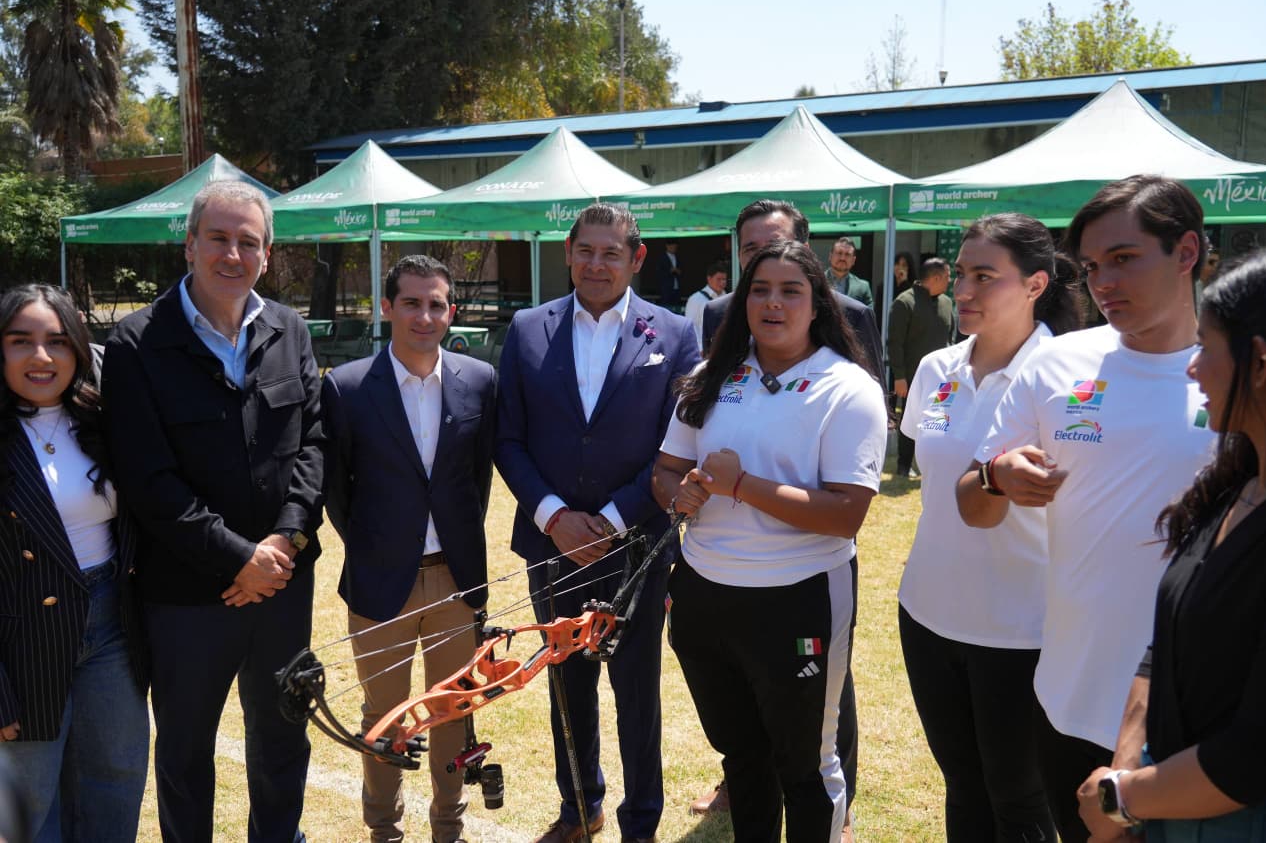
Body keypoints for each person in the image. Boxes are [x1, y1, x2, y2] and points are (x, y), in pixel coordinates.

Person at [955, 175, 1216, 843]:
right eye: (1093, 266)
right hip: (1067, 696)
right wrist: (994, 478)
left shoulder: (1238, 373)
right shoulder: (1057, 364)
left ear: (1186, 252)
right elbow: (972, 505)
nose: (1104, 283)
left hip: (1196, 709)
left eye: (1124, 258)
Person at [103, 180, 325, 843]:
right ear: (189, 244)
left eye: (248, 242)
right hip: (187, 596)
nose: (233, 254)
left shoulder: (289, 329)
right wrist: (238, 558)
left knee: (283, 739)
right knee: (184, 752)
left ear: (267, 253)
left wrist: (284, 541)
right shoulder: (137, 343)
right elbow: (148, 480)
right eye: (219, 238)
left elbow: (313, 444)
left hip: (282, 585)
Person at [653, 239, 886, 843]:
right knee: (743, 757)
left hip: (799, 598)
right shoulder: (710, 377)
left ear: (818, 304)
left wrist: (741, 485)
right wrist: (679, 495)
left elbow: (846, 515)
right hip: (705, 597)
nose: (772, 303)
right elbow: (667, 471)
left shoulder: (848, 387)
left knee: (806, 767)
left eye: (790, 291)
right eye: (759, 290)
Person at [494, 202, 700, 843]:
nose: (597, 264)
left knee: (637, 691)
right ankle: (580, 808)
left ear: (637, 259)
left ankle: (641, 822)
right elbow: (507, 438)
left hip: (636, 544)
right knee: (567, 683)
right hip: (552, 545)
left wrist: (610, 519)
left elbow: (677, 447)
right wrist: (554, 517)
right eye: (585, 250)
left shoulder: (674, 335)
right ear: (567, 253)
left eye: (612, 252)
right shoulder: (528, 328)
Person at [1076, 247, 1266, 841]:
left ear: (1259, 364)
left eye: (1205, 348)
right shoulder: (1236, 486)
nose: (1192, 370)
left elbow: (1254, 755)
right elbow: (1164, 643)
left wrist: (1121, 799)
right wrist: (1124, 772)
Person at [897, 214, 1086, 842]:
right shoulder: (937, 369)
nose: (963, 291)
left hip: (1023, 628)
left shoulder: (1072, 377)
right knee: (963, 785)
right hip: (928, 614)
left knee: (1019, 800)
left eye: (985, 276)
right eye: (960, 274)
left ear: (1036, 284)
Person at [323, 255, 497, 843]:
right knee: (383, 717)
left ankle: (449, 827)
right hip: (380, 583)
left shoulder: (480, 380)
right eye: (412, 303)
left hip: (456, 581)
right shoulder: (347, 388)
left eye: (436, 304)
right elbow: (337, 492)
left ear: (451, 311)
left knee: (453, 709)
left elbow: (477, 480)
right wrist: (380, 546)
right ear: (386, 307)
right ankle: (384, 831)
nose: (425, 316)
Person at [0, 284, 148, 842]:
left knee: (115, 781)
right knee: (28, 804)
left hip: (112, 627)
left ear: (79, 350)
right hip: (22, 640)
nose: (41, 357)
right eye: (21, 341)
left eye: (57, 341)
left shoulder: (104, 419)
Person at [702, 202, 884, 384]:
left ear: (805, 251)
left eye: (775, 247)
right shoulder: (718, 314)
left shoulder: (853, 316)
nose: (763, 258)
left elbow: (874, 394)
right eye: (751, 249)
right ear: (738, 255)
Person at [888, 257, 954, 477]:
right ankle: (904, 465)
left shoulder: (947, 303)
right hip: (911, 376)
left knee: (939, 420)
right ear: (935, 277)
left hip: (943, 379)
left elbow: (950, 340)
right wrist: (899, 376)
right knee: (910, 419)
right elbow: (895, 343)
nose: (951, 280)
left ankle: (932, 463)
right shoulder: (904, 302)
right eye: (948, 276)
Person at [683, 260, 729, 351]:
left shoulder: (728, 298)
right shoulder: (696, 299)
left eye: (724, 279)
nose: (722, 282)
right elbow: (691, 327)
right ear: (709, 279)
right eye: (719, 279)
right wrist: (700, 348)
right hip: (703, 350)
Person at [825, 237, 874, 307]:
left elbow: (868, 313)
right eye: (839, 253)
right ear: (830, 256)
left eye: (847, 254)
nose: (842, 258)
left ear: (853, 260)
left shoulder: (863, 287)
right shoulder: (817, 282)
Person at [655, 239, 682, 305]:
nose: (674, 248)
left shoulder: (678, 257)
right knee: (666, 305)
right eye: (672, 247)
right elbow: (658, 272)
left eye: (675, 247)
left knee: (676, 305)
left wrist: (678, 271)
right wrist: (669, 271)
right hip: (666, 287)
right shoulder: (662, 258)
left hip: (677, 286)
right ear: (667, 246)